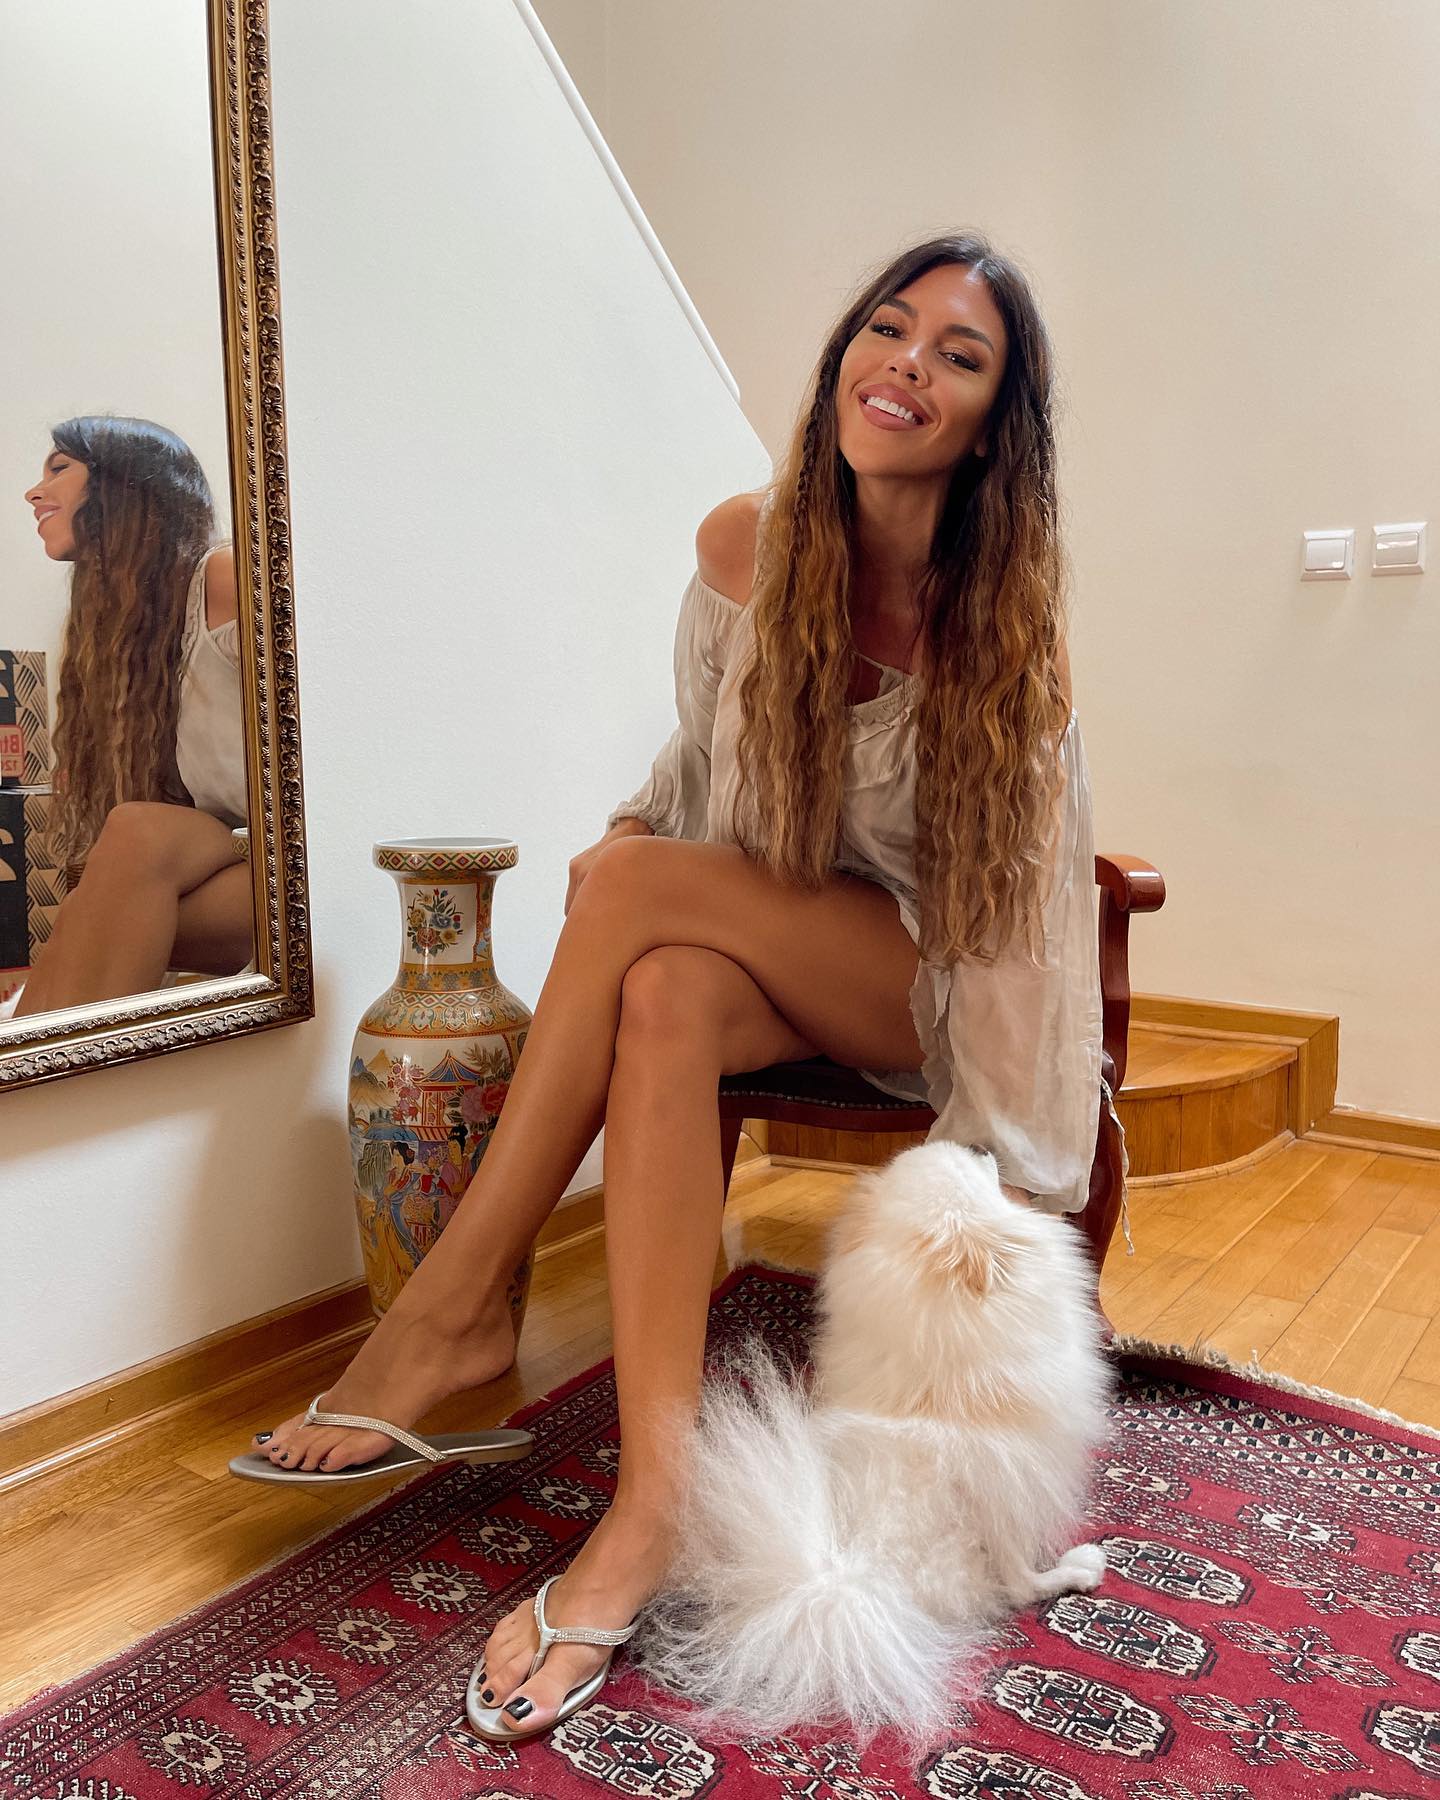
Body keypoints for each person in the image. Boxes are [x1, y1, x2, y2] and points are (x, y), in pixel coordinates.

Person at [244, 233, 1104, 1737]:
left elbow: (1024, 920)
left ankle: (454, 1304)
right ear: (846, 356)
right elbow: (708, 770)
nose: (907, 364)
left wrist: (1001, 1158)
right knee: (661, 987)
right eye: (888, 329)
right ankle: (651, 1499)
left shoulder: (1003, 628)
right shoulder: (743, 550)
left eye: (957, 356)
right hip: (781, 937)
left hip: (929, 984)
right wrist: (643, 834)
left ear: (990, 428)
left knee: (636, 890)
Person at [15, 416, 253, 1015]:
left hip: (308, 852)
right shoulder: (137, 628)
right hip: (237, 853)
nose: (35, 493)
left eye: (59, 468)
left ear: (122, 481)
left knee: (121, 870)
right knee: (122, 854)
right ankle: (30, 1043)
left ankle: (29, 1042)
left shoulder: (226, 577)